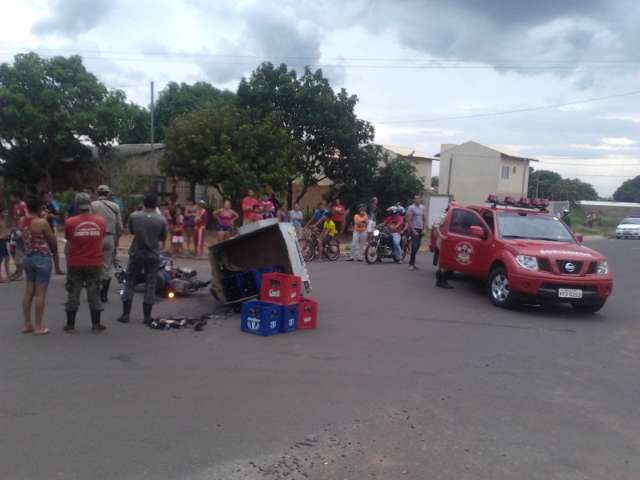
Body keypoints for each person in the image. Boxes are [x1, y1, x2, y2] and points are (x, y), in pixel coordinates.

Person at [117, 192, 167, 325]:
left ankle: (125, 315)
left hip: (136, 253)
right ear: (156, 204)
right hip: (153, 254)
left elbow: (132, 231)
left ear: (143, 203)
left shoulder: (135, 216)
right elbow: (163, 237)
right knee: (150, 284)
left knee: (130, 282)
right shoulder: (161, 219)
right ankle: (147, 317)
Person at [64, 193, 107, 333]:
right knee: (94, 292)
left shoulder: (70, 222)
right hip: (94, 262)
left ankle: (70, 325)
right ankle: (96, 324)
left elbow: (69, 241)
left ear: (77, 205)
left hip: (75, 262)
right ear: (90, 204)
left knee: (73, 293)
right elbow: (102, 237)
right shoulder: (101, 221)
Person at [20, 195, 61, 335]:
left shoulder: (22, 221)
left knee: (28, 291)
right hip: (41, 257)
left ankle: (27, 324)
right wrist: (55, 255)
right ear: (38, 207)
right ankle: (38, 326)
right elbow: (52, 240)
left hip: (28, 256)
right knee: (40, 293)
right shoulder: (41, 223)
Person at [91, 185, 123, 303]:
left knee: (94, 264)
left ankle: (94, 292)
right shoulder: (115, 206)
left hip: (95, 237)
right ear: (108, 194)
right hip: (110, 237)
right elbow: (120, 226)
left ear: (97, 193)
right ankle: (104, 294)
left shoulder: (92, 205)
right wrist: (117, 239)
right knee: (107, 266)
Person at [9, 191, 27, 281]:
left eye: (12, 197)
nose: (11, 199)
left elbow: (26, 217)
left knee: (19, 251)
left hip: (21, 230)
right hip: (15, 230)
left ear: (17, 197)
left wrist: (22, 229)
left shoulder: (23, 205)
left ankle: (20, 273)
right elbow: (14, 217)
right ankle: (18, 269)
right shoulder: (14, 206)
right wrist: (13, 227)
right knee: (13, 249)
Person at [406, 194, 427, 271]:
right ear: (414, 200)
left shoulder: (422, 207)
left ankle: (413, 264)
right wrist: (413, 230)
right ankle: (411, 264)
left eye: (418, 199)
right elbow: (409, 220)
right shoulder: (411, 208)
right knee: (414, 246)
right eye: (415, 199)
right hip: (414, 229)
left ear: (420, 200)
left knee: (417, 246)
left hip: (421, 229)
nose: (417, 200)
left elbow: (424, 219)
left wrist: (424, 229)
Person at [0, 207, 10, 283]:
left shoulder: (4, 221)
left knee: (7, 258)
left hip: (4, 241)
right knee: (1, 259)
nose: (6, 214)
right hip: (1, 241)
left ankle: (8, 276)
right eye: (4, 212)